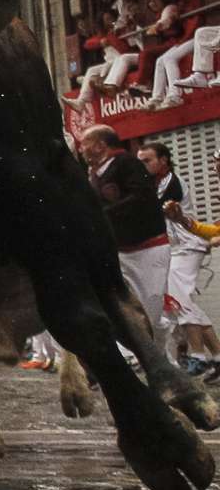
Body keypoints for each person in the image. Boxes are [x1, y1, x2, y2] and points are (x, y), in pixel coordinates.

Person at [80, 124, 172, 352]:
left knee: (151, 306)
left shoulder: (127, 163)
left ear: (101, 145)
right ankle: (148, 356)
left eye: (85, 143)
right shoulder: (93, 175)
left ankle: (159, 356)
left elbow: (140, 197)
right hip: (121, 250)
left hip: (148, 247)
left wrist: (100, 216)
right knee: (126, 307)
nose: (81, 149)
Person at [138, 144, 220, 379]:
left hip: (187, 247)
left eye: (147, 160)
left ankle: (198, 356)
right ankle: (216, 355)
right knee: (180, 302)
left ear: (163, 161)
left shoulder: (171, 183)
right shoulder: (152, 184)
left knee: (179, 300)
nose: (141, 166)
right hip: (175, 248)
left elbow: (147, 210)